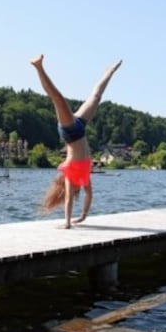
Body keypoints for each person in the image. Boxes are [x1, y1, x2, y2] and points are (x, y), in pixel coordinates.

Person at [31, 54, 122, 228]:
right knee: (96, 97)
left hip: (70, 131)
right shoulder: (84, 177)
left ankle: (39, 67)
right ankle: (108, 72)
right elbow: (89, 196)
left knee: (58, 99)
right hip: (80, 127)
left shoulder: (70, 174)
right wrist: (83, 217)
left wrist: (67, 223)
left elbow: (68, 199)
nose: (77, 190)